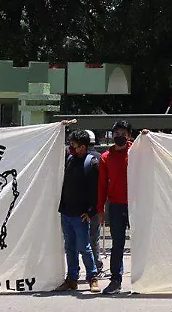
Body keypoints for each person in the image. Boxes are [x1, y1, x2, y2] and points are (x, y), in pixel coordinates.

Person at [56, 130, 101, 292]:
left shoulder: (92, 163)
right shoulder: (69, 159)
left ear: (82, 147)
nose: (70, 147)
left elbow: (96, 191)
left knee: (84, 247)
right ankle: (72, 279)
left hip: (81, 214)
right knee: (70, 247)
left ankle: (92, 277)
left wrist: (90, 211)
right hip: (66, 212)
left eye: (73, 144)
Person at [98, 120, 133, 294]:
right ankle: (115, 280)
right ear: (112, 136)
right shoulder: (105, 157)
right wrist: (100, 209)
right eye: (116, 133)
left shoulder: (137, 152)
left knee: (142, 242)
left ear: (129, 136)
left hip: (136, 204)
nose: (120, 136)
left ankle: (143, 279)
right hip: (116, 206)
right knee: (117, 244)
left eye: (123, 134)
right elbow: (102, 185)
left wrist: (147, 137)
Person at [85, 130, 104, 263]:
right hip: (97, 202)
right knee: (94, 236)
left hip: (81, 203)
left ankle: (89, 263)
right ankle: (96, 263)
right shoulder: (100, 157)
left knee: (81, 237)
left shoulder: (78, 158)